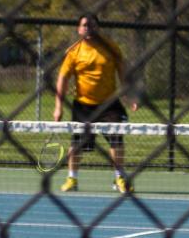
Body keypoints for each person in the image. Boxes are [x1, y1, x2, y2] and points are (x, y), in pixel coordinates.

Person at [52, 14, 137, 194]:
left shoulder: (111, 48)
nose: (88, 28)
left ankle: (119, 178)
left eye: (92, 25)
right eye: (84, 25)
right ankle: (72, 179)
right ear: (79, 29)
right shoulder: (74, 52)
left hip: (110, 104)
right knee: (77, 144)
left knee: (116, 140)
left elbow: (122, 72)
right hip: (83, 106)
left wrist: (129, 96)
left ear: (98, 28)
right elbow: (63, 78)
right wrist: (58, 106)